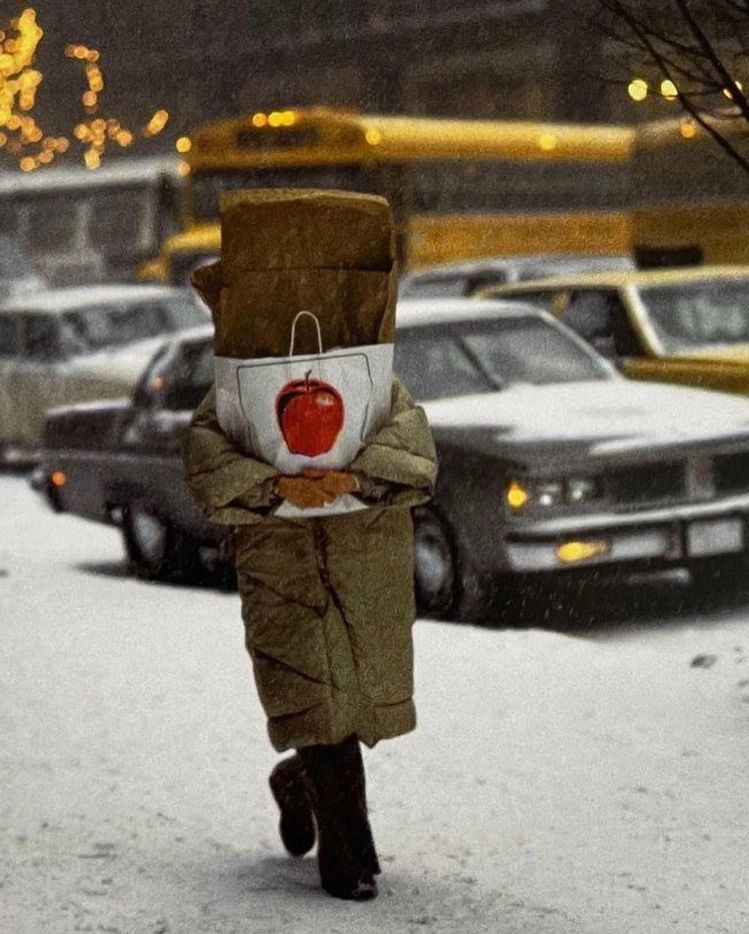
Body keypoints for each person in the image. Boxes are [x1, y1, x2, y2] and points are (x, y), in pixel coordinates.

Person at [182, 189, 437, 901]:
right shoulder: (234, 395)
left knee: (349, 706)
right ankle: (348, 860)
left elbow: (415, 454)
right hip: (281, 566)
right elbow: (205, 463)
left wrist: (354, 475)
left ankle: (294, 785)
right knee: (315, 702)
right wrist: (274, 489)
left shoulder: (373, 384)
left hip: (363, 561)